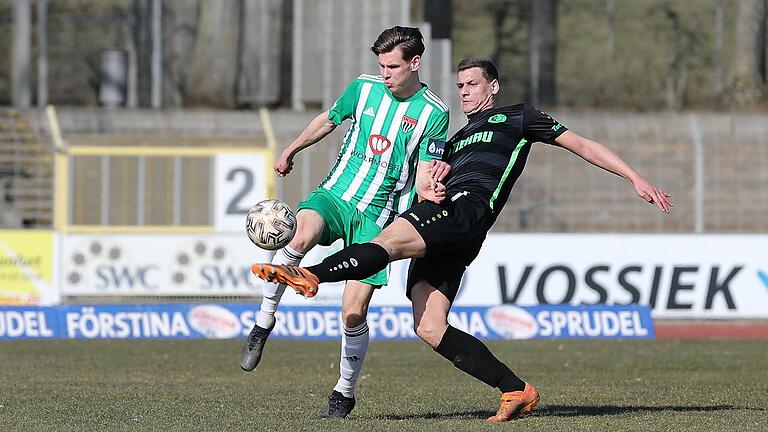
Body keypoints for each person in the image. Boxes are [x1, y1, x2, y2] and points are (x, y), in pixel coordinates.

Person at [250, 58, 673, 422]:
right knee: (429, 326)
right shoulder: (451, 139)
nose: (465, 93)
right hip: (448, 221)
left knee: (390, 241)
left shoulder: (518, 117)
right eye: (460, 86)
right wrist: (427, 186)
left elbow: (580, 144)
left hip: (465, 212)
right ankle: (515, 389)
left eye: (472, 84)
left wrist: (633, 177)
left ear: (493, 86)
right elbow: (424, 177)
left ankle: (308, 274)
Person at [240, 26, 451, 419]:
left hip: (380, 218)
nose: (385, 73)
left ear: (415, 63)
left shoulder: (435, 112)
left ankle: (344, 392)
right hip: (336, 194)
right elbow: (328, 119)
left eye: (393, 66)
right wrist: (291, 149)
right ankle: (263, 322)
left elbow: (424, 169)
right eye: (381, 65)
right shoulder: (364, 88)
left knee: (353, 311)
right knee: (300, 234)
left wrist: (429, 190)